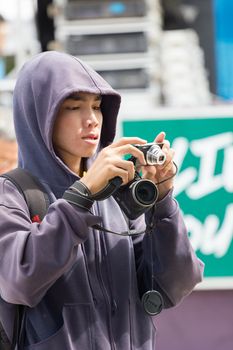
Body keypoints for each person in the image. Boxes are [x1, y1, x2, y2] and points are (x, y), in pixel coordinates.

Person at [0, 51, 204, 350]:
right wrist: (81, 196)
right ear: (38, 113)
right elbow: (19, 282)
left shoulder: (118, 193)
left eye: (97, 106)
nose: (92, 119)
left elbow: (175, 284)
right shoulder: (12, 193)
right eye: (73, 106)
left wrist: (161, 201)